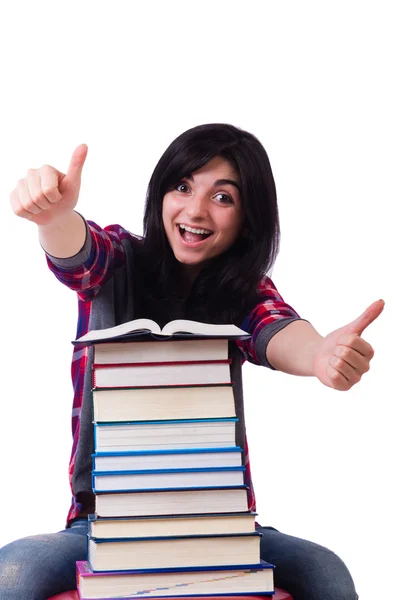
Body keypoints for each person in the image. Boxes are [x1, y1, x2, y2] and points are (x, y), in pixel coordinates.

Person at [3, 123, 383, 600]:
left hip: (223, 525)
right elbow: (80, 254)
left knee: (326, 573)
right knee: (12, 573)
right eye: (183, 187)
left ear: (248, 217)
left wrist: (321, 355)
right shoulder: (118, 261)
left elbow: (276, 329)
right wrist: (54, 217)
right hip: (103, 523)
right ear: (161, 193)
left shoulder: (245, 291)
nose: (196, 211)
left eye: (223, 197)